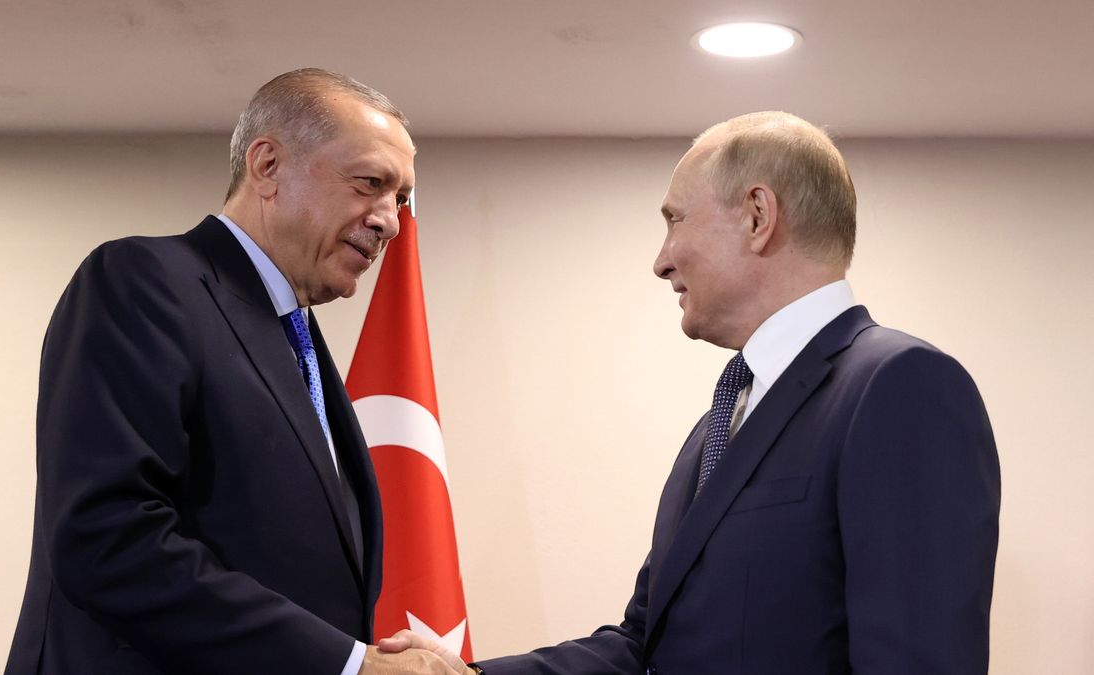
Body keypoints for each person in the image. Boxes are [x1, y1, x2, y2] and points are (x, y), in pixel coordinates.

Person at [383, 111, 1001, 674]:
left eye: (675, 220)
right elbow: (645, 644)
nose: (662, 261)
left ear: (757, 216)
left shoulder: (899, 385)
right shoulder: (722, 421)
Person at [5, 69, 458, 675]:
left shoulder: (295, 337)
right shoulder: (144, 280)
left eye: (399, 199)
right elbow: (108, 539)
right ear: (267, 166)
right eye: (370, 183)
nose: (390, 221)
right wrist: (350, 664)